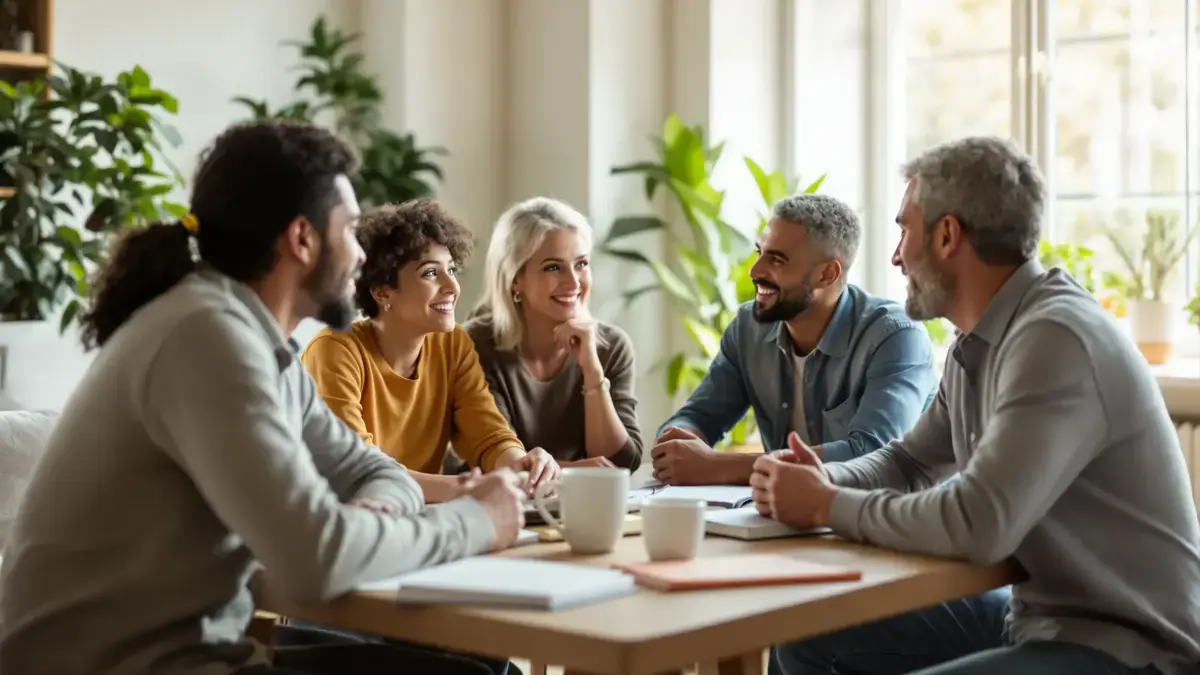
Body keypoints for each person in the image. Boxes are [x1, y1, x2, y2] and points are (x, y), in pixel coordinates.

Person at [0, 120, 527, 675]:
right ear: (302, 239)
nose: (361, 255)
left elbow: (372, 470)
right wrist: (476, 520)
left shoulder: (260, 346)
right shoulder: (207, 337)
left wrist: (371, 514)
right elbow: (315, 560)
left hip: (196, 656)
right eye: (351, 232)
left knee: (483, 669)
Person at [757, 136, 1200, 675]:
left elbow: (979, 522)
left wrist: (827, 506)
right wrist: (822, 477)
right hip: (1035, 617)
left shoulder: (1054, 337)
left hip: (1129, 645)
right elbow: (910, 463)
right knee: (804, 639)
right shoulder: (978, 343)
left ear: (947, 236)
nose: (896, 256)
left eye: (904, 231)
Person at [651, 193, 935, 485]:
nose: (755, 271)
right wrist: (681, 442)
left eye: (777, 260)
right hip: (784, 510)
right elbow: (698, 416)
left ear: (827, 274)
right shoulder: (748, 328)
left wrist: (717, 466)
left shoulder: (895, 336)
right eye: (760, 252)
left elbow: (874, 456)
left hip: (886, 512)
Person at [300, 200, 560, 504]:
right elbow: (356, 470)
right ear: (383, 292)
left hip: (419, 515)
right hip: (341, 516)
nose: (452, 286)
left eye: (451, 269)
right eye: (430, 273)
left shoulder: (453, 344)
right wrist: (465, 489)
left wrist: (522, 465)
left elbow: (488, 436)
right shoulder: (335, 350)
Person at [463, 197, 642, 470]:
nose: (573, 282)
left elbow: (621, 463)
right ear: (515, 279)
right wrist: (577, 472)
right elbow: (493, 460)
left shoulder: (612, 346)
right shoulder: (473, 344)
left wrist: (592, 372)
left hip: (578, 497)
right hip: (491, 496)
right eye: (553, 267)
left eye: (581, 264)